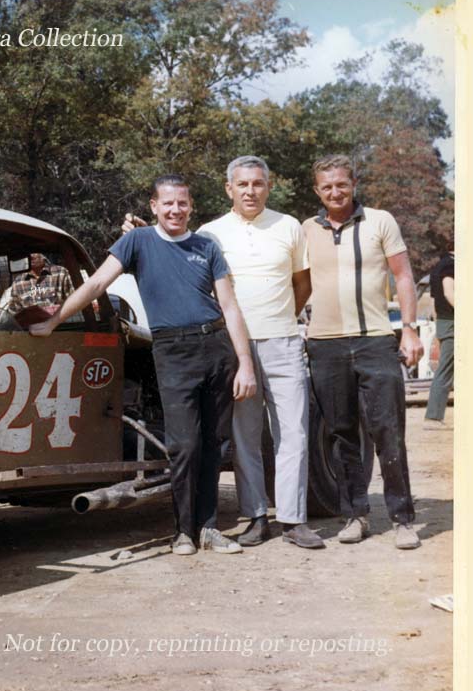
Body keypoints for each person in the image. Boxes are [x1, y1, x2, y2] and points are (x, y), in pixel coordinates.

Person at [32, 175, 257, 555]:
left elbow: (230, 306)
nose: (175, 210)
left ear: (191, 207)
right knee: (183, 445)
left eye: (182, 203)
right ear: (154, 206)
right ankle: (182, 533)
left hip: (216, 348)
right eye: (168, 203)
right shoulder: (137, 241)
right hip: (172, 351)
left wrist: (245, 363)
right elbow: (97, 284)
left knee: (212, 446)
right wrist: (55, 320)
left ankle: (208, 528)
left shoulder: (207, 246)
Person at [195, 156, 322, 549]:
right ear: (228, 188)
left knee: (294, 432)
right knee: (244, 435)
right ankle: (256, 516)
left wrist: (280, 318)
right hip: (236, 348)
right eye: (242, 184)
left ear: (269, 187)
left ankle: (293, 520)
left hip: (283, 342)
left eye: (258, 183)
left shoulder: (288, 226)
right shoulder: (210, 233)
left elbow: (303, 283)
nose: (250, 191)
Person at [302, 154, 422, 549]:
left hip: (375, 340)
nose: (335, 192)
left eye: (342, 184)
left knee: (387, 430)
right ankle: (355, 514)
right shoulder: (306, 229)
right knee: (340, 433)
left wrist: (409, 330)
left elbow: (403, 275)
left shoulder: (380, 221)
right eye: (327, 186)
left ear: (354, 183)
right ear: (317, 190)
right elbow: (298, 284)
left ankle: (402, 519)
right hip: (325, 343)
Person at [424, 249, 454, 428]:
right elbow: (449, 293)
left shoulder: (438, 267)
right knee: (445, 371)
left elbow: (433, 301)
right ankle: (433, 417)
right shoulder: (451, 265)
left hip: (444, 322)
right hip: (453, 322)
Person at [1, 253, 75, 327]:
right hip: (30, 331)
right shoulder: (18, 282)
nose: (31, 256)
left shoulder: (60, 273)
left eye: (34, 252)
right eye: (28, 253)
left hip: (61, 328)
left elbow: (73, 303)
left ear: (43, 255)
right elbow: (14, 315)